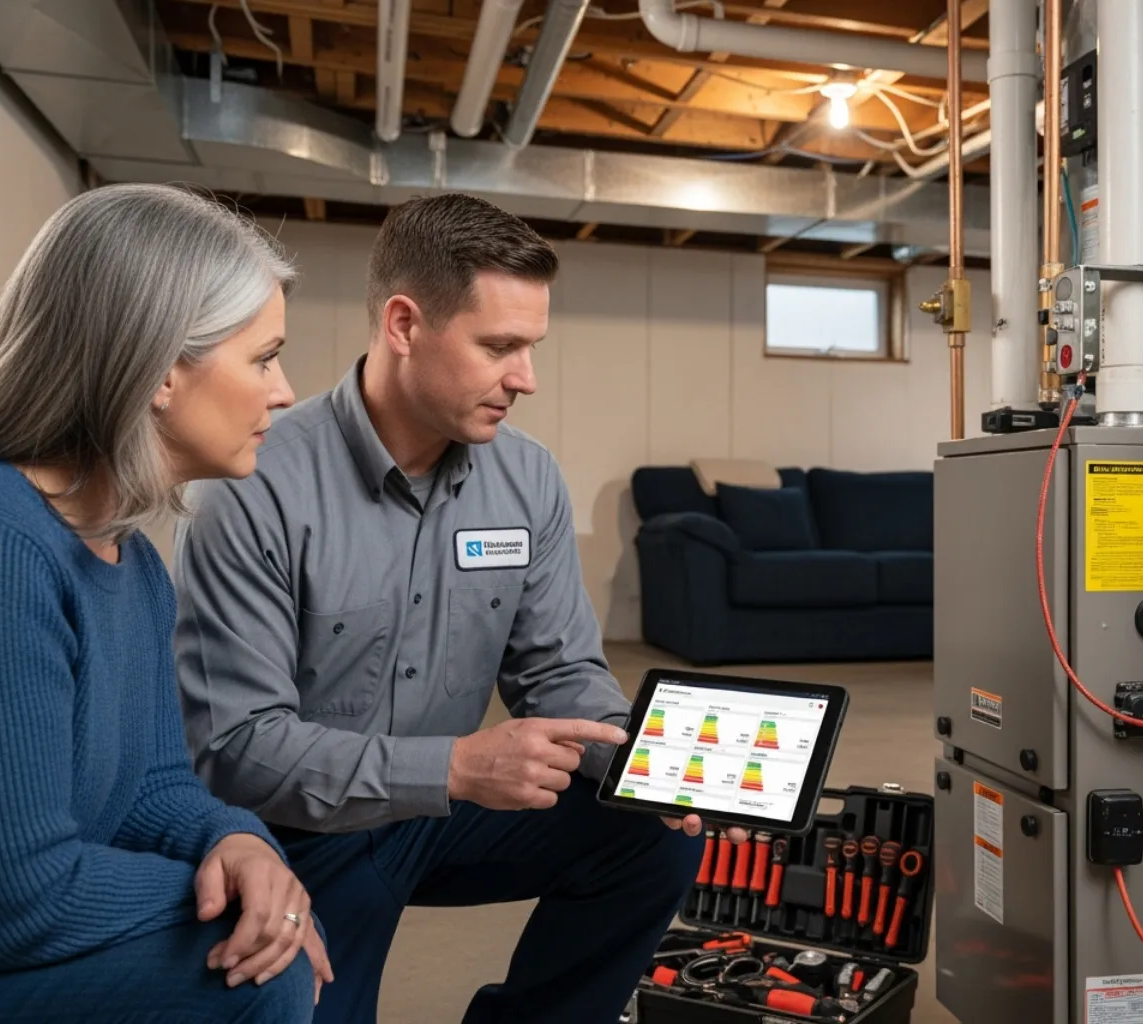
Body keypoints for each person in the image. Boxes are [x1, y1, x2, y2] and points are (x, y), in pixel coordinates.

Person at [172, 193, 738, 1024]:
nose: (527, 379)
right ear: (404, 324)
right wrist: (458, 768)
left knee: (650, 834)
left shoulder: (528, 477)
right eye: (500, 347)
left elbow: (559, 670)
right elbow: (235, 749)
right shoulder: (256, 485)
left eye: (532, 347)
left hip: (444, 817)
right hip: (296, 838)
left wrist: (641, 762)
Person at [0, 183, 333, 1021]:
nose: (285, 391)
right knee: (261, 973)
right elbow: (7, 899)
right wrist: (251, 904)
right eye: (262, 358)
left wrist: (240, 844)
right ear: (160, 373)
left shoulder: (132, 558)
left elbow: (152, 788)